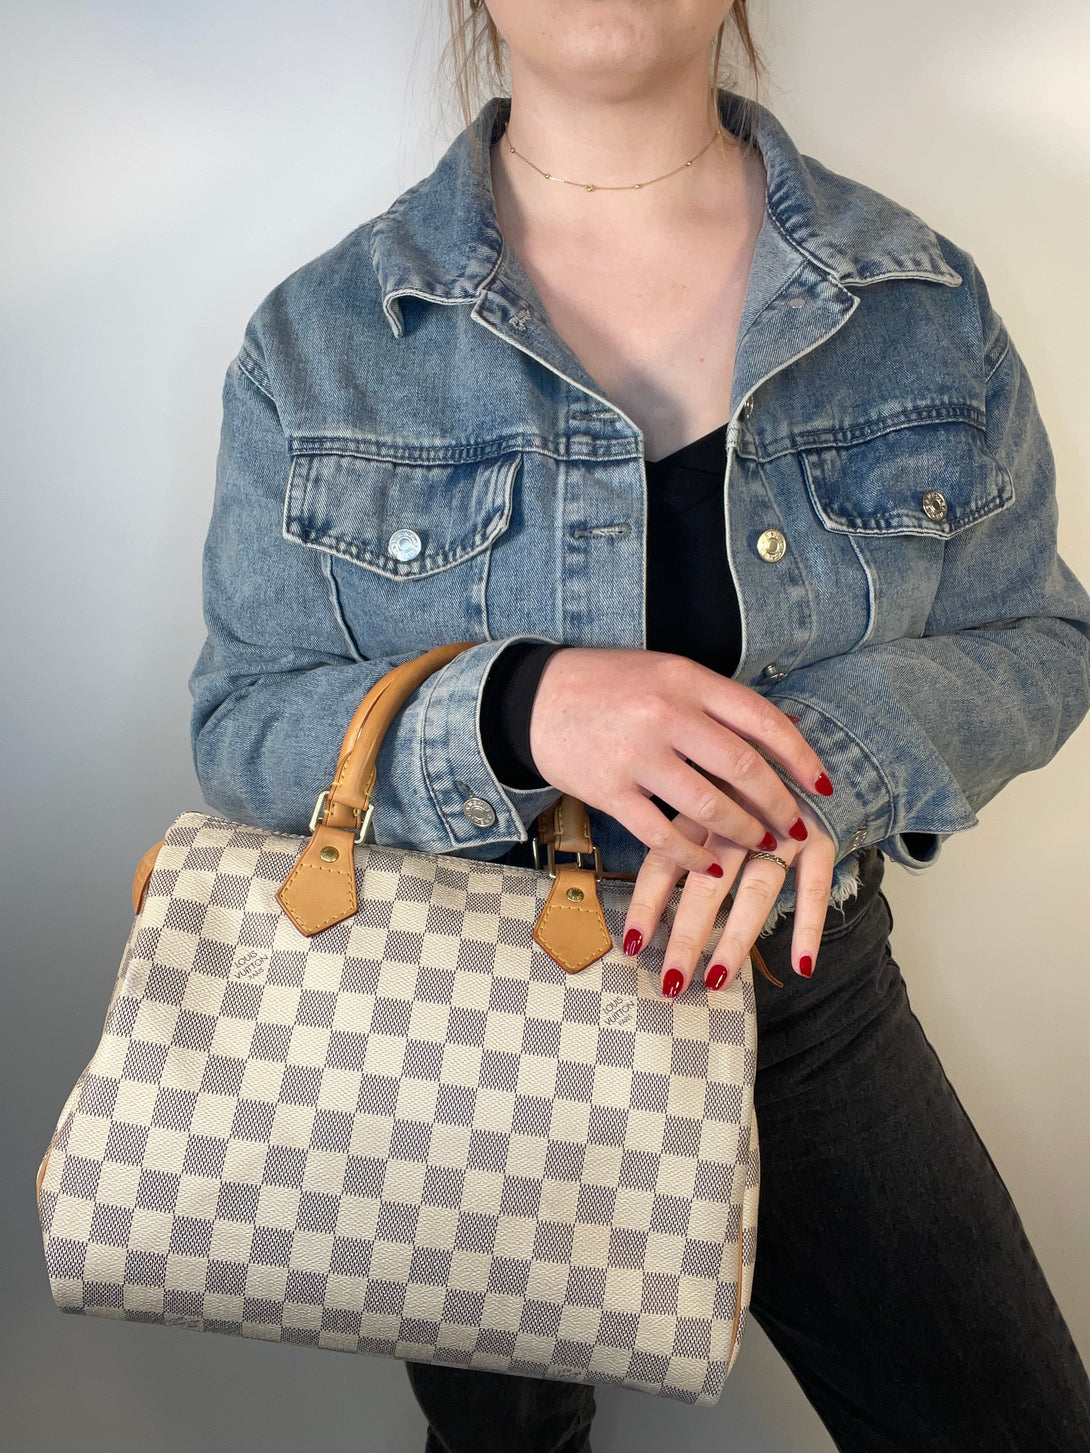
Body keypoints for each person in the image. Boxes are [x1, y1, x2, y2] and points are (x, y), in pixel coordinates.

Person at [189, 1, 1090, 1448]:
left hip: (797, 1005)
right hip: (443, 1026)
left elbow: (1039, 636)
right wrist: (519, 704)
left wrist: (810, 768)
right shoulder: (325, 337)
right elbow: (243, 722)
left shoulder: (916, 302)